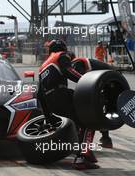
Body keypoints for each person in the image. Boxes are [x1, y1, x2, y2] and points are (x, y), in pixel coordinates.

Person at [38, 39, 99, 170]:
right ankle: (82, 157)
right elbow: (68, 71)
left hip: (50, 102)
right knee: (89, 119)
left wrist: (48, 117)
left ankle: (82, 153)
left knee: (76, 123)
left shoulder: (42, 67)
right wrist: (87, 81)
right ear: (63, 49)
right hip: (61, 95)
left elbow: (39, 94)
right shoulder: (61, 55)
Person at [72, 57, 115, 149]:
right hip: (111, 79)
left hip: (108, 80)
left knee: (98, 111)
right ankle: (106, 139)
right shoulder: (82, 61)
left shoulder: (76, 63)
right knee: (102, 110)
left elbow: (82, 80)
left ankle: (106, 139)